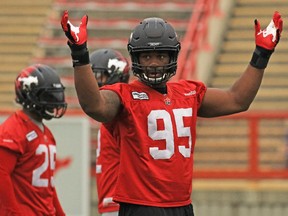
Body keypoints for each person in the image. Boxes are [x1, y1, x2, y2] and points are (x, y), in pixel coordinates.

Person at [61, 10, 283, 216]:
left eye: (161, 56)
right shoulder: (125, 96)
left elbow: (237, 99)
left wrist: (261, 54)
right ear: (136, 59)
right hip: (141, 206)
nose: (155, 63)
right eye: (147, 56)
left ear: (172, 56)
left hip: (182, 205)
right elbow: (95, 106)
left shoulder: (188, 92)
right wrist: (80, 54)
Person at [0, 64, 67, 215]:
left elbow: (48, 186)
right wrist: (12, 212)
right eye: (48, 96)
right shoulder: (13, 130)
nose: (54, 101)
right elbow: (1, 174)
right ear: (28, 95)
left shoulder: (46, 133)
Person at [90, 48, 130, 216]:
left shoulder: (123, 110)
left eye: (99, 76)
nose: (93, 83)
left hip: (122, 203)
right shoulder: (109, 112)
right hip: (110, 201)